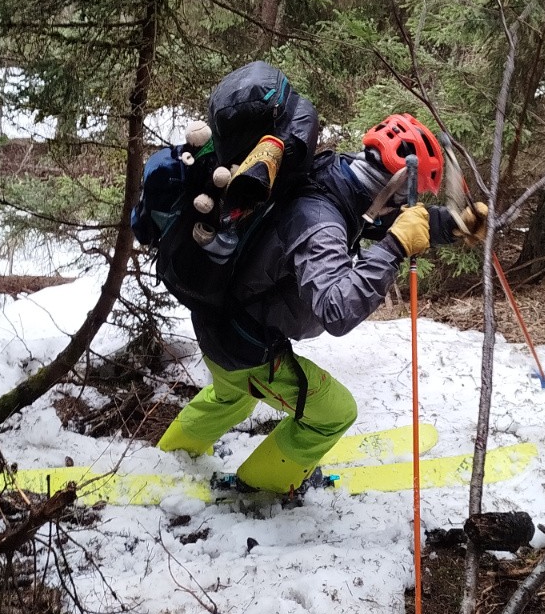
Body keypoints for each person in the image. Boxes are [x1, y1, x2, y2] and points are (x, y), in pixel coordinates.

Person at [157, 112, 487, 493]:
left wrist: (451, 224)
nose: (401, 209)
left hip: (218, 322)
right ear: (395, 184)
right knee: (335, 413)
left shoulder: (335, 172)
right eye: (403, 198)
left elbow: (376, 217)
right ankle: (262, 489)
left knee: (232, 396)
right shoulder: (321, 224)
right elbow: (337, 310)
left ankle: (172, 454)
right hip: (244, 346)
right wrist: (395, 247)